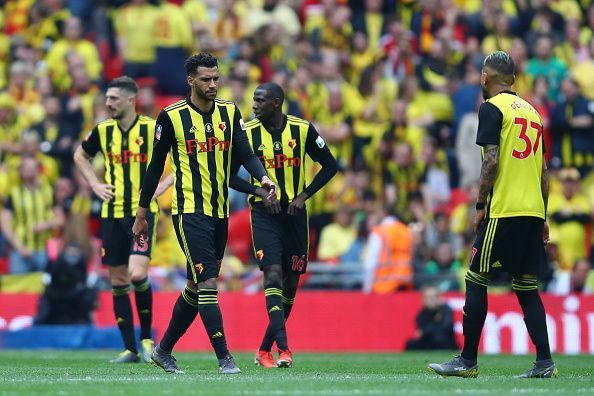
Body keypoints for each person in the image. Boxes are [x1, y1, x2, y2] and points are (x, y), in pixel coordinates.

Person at [132, 53, 275, 374]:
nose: (213, 85)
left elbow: (245, 152)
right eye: (206, 79)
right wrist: (142, 212)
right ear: (191, 81)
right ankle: (225, 357)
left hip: (219, 212)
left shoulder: (229, 111)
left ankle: (163, 350)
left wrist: (263, 176)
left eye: (216, 78)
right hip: (188, 211)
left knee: (197, 287)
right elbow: (155, 167)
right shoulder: (171, 116)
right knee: (209, 282)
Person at [429, 51, 557, 378]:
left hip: (504, 209)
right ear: (513, 80)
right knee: (527, 286)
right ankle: (545, 362)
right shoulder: (533, 112)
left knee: (475, 276)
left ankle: (467, 360)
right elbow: (543, 171)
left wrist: (480, 204)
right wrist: (543, 215)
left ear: (485, 78)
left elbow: (490, 161)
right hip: (531, 210)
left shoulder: (491, 108)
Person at [229, 82, 338, 368]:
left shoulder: (301, 129)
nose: (254, 105)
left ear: (276, 103)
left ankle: (264, 349)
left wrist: (303, 196)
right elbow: (228, 176)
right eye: (253, 100)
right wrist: (259, 192)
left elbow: (330, 165)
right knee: (273, 276)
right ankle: (285, 349)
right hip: (264, 216)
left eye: (260, 101)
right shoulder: (247, 133)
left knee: (290, 285)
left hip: (294, 215)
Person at [73, 76, 172, 364]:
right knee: (117, 281)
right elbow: (80, 156)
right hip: (111, 215)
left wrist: (158, 189)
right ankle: (131, 349)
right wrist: (94, 185)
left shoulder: (151, 128)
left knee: (137, 274)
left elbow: (180, 160)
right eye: (107, 98)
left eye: (113, 99)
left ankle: (147, 338)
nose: (107, 103)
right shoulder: (102, 131)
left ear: (131, 100)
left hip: (140, 214)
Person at [1, 157, 64, 274]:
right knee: (20, 287)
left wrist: (47, 224)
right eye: (24, 167)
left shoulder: (48, 191)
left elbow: (61, 219)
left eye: (30, 167)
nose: (26, 170)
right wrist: (18, 246)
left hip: (44, 248)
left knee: (45, 286)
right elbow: (5, 223)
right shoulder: (14, 194)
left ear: (38, 170)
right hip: (21, 249)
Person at [405, 286, 458, 351]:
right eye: (427, 297)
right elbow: (420, 332)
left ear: (439, 298)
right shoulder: (422, 313)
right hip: (428, 342)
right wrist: (434, 324)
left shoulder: (446, 309)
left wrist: (426, 331)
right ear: (423, 299)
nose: (430, 300)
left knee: (439, 338)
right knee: (410, 343)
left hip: (444, 342)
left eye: (433, 297)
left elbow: (445, 327)